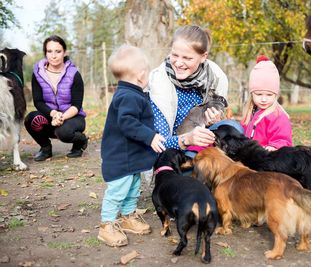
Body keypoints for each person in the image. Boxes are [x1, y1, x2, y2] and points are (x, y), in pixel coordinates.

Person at [98, 44, 165, 247]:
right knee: (118, 190)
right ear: (141, 75)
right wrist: (150, 136)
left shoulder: (132, 93)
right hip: (121, 156)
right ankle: (106, 225)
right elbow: (127, 122)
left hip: (131, 156)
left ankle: (128, 217)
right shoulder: (128, 96)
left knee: (133, 188)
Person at [149, 25, 235, 152]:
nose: (178, 63)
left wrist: (215, 120)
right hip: (172, 151)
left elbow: (218, 116)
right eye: (175, 55)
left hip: (203, 146)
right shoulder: (159, 82)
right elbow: (159, 142)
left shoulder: (214, 77)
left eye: (187, 58)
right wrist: (187, 139)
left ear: (203, 57)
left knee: (234, 127)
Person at [24, 35, 88, 160]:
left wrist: (62, 117)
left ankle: (81, 141)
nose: (54, 56)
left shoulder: (74, 74)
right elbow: (38, 101)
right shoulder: (37, 73)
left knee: (62, 132)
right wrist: (54, 114)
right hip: (50, 116)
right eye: (49, 51)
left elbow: (76, 105)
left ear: (64, 52)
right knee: (31, 119)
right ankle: (45, 148)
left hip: (73, 117)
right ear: (45, 53)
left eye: (58, 51)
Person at [241, 55, 293, 151]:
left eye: (269, 95)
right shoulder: (250, 112)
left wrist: (274, 147)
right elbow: (244, 132)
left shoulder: (278, 116)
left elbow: (283, 139)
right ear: (252, 93)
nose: (264, 99)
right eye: (259, 94)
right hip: (253, 157)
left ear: (275, 95)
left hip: (270, 159)